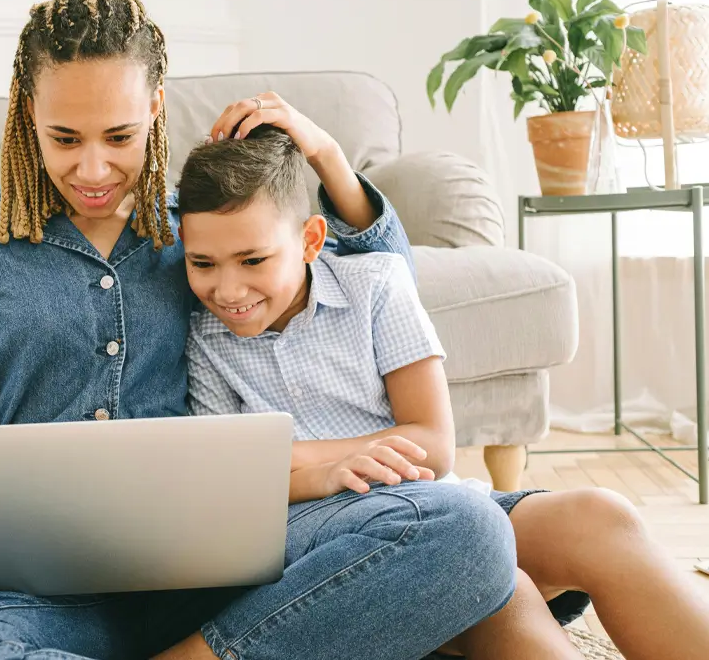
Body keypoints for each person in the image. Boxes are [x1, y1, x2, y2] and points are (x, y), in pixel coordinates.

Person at [0, 0, 520, 659]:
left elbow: (376, 278)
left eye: (121, 136)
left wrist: (327, 157)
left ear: (156, 109)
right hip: (46, 586)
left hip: (232, 565)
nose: (94, 167)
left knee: (467, 529)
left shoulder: (199, 232)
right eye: (65, 137)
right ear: (26, 110)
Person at [176, 119, 709, 660]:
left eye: (253, 260)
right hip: (318, 533)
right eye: (203, 264)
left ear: (311, 239)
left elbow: (433, 443)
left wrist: (303, 457)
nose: (228, 289)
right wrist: (321, 473)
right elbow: (234, 481)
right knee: (497, 587)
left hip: (439, 502)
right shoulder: (203, 335)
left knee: (600, 516)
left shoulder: (376, 285)